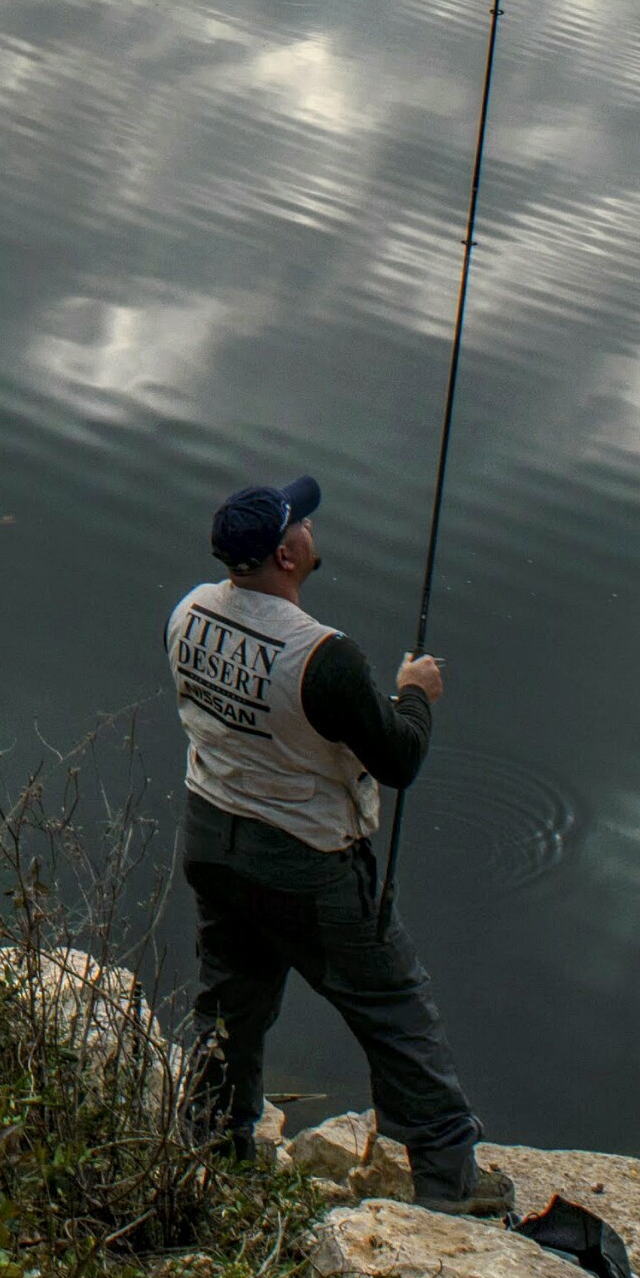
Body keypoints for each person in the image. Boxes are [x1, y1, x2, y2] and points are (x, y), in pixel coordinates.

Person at [165, 473, 482, 1210]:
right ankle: (448, 1182)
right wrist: (416, 693)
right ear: (285, 553)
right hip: (306, 862)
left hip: (211, 837)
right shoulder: (324, 656)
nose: (310, 526)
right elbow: (397, 758)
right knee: (396, 1008)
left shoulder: (186, 612)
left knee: (228, 1007)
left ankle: (214, 1151)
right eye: (300, 522)